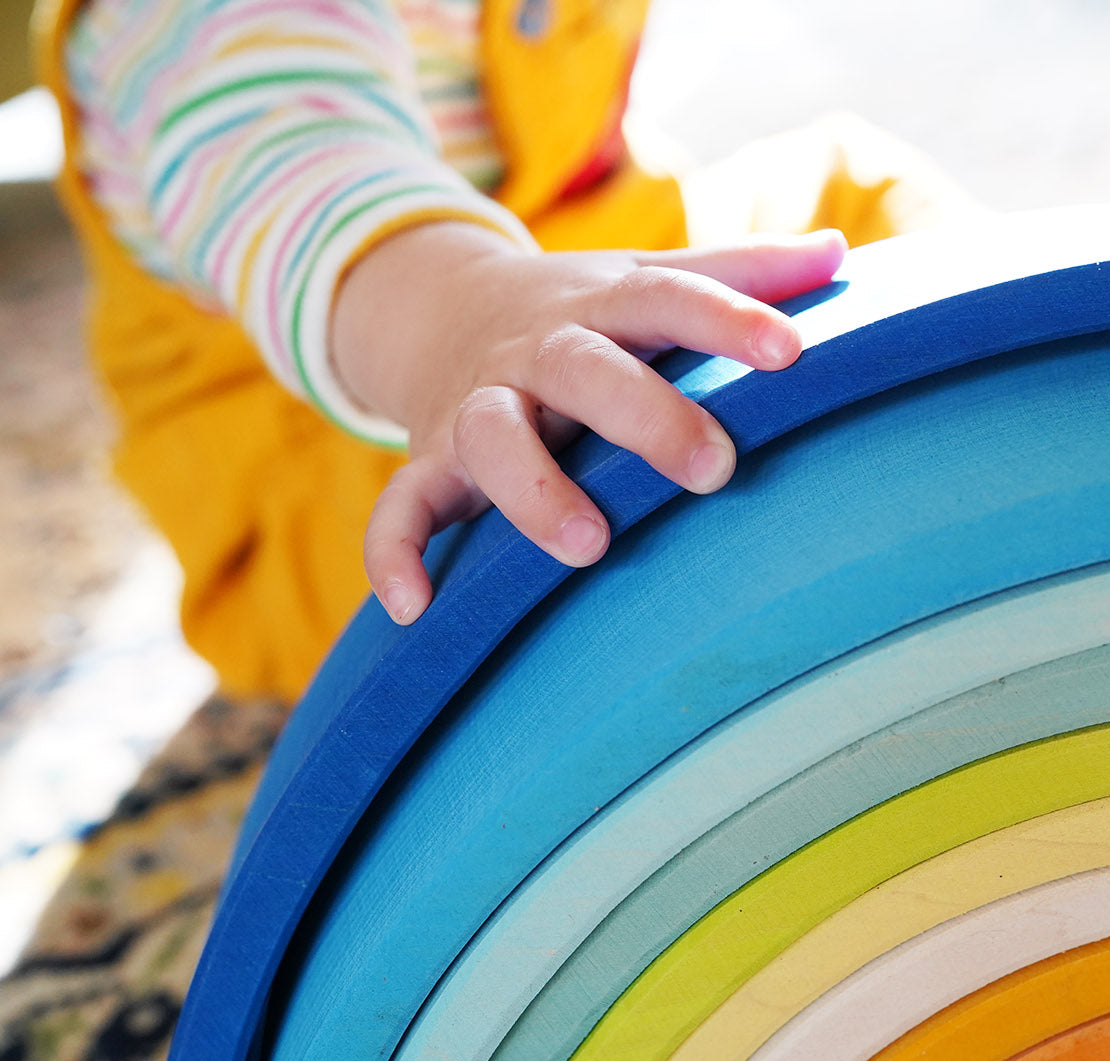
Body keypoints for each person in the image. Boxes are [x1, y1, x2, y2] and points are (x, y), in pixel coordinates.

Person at [36, 0, 975, 701]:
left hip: (550, 258)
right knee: (544, 500)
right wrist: (471, 319)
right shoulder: (191, 22)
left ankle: (1030, 419)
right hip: (346, 413)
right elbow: (300, 184)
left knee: (847, 204)